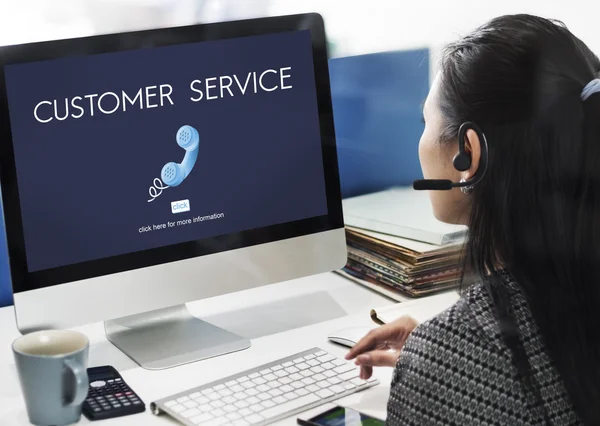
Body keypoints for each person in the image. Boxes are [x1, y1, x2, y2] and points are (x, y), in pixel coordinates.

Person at [346, 14, 600, 425]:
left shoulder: (449, 359)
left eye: (425, 123)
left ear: (468, 153)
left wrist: (448, 358)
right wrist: (455, 348)